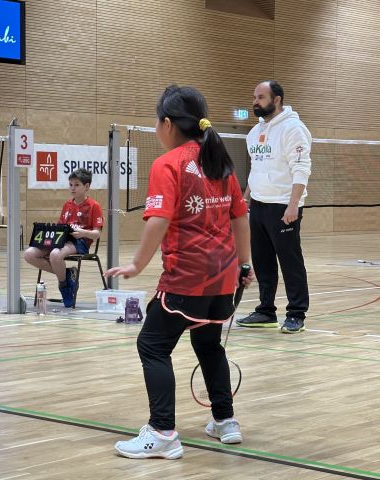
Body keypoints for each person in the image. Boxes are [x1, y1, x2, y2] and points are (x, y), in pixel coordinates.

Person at [105, 85, 254, 459]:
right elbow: (240, 217)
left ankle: (162, 432)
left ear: (168, 124)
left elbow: (159, 219)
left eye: (157, 122)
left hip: (187, 278)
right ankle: (225, 421)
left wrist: (136, 265)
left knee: (152, 345)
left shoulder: (168, 164)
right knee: (208, 344)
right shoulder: (220, 161)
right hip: (224, 278)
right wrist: (245, 264)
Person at [237, 80, 311, 334]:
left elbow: (301, 169)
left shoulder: (293, 129)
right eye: (254, 97)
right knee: (262, 260)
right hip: (258, 205)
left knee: (290, 261)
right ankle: (266, 311)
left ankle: (296, 313)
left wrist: (293, 205)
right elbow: (256, 169)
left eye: (261, 97)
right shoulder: (254, 132)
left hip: (283, 206)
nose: (255, 102)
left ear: (276, 99)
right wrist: (245, 198)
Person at [24, 168, 104, 307]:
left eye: (77, 185)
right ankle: (68, 274)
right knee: (29, 254)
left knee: (55, 254)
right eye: (71, 184)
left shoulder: (94, 206)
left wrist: (83, 232)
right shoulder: (67, 205)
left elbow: (97, 234)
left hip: (79, 242)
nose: (72, 188)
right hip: (61, 239)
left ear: (87, 186)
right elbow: (61, 226)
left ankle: (64, 287)